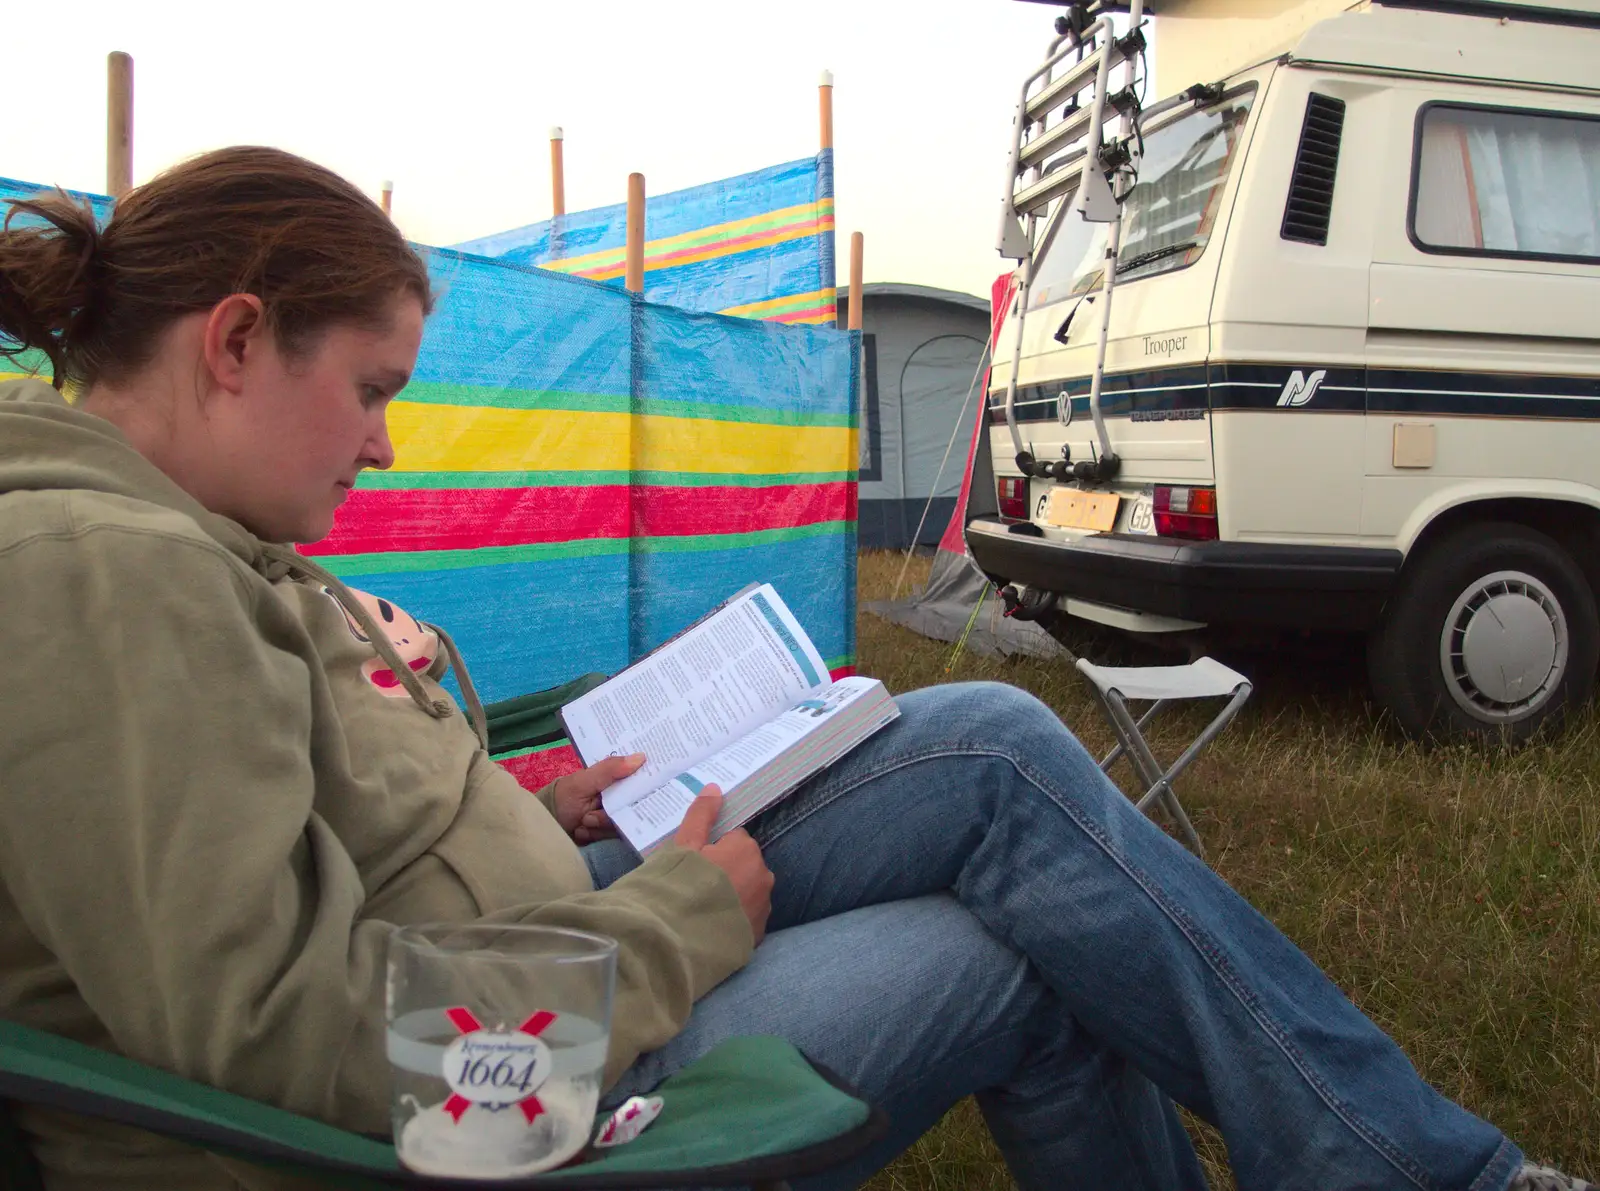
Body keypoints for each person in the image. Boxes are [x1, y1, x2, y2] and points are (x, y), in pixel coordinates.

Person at [0, 148, 1587, 1191]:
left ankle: (1405, 1166)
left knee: (979, 739)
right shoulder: (103, 578)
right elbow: (283, 1033)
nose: (386, 438)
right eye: (367, 388)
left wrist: (528, 799)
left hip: (553, 912)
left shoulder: (191, 542)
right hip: (504, 1095)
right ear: (230, 341)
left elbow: (302, 821)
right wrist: (669, 922)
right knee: (1014, 923)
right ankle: (1420, 1174)